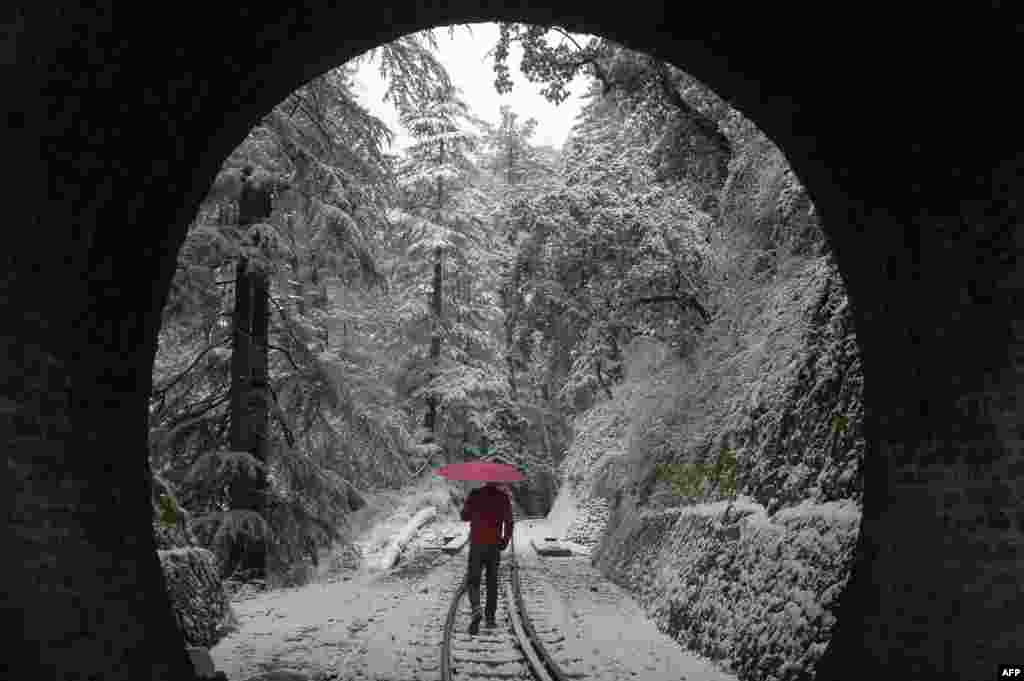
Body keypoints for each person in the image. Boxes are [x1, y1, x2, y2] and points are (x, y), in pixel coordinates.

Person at [460, 481, 514, 635]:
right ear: (497, 481)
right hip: (494, 545)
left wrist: (468, 507)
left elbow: (464, 516)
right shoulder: (503, 497)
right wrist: (505, 539)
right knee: (492, 581)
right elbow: (509, 522)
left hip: (477, 544)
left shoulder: (475, 494)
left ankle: (476, 608)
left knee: (473, 579)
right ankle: (490, 618)